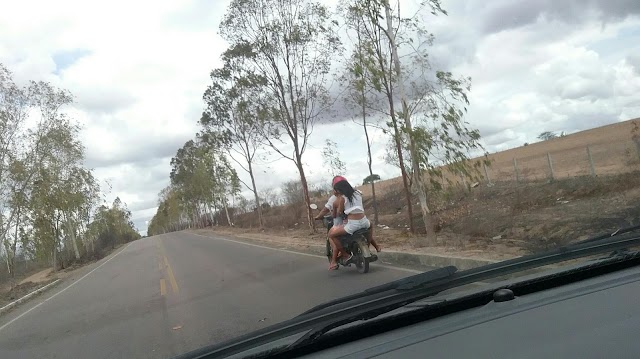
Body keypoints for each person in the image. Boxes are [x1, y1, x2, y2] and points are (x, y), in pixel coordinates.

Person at [327, 178, 380, 270]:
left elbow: (339, 212)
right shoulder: (358, 193)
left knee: (331, 235)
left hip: (353, 225)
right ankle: (369, 246)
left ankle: (345, 255)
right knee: (370, 226)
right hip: (364, 221)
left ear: (340, 190)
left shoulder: (342, 198)